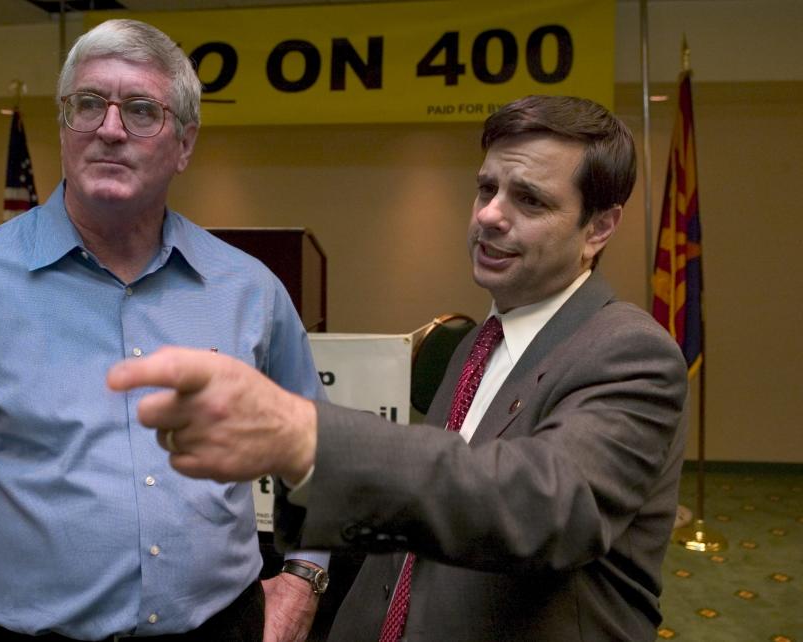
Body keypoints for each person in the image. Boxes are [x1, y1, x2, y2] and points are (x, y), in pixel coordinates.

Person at [106, 95, 690, 641]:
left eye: (529, 200)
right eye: (486, 187)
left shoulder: (631, 353)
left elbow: (542, 505)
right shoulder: (476, 345)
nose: (489, 215)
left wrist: (311, 438)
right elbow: (427, 518)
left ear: (599, 228)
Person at [0, 19, 328, 642]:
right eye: (88, 104)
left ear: (184, 144)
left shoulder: (248, 291)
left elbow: (318, 454)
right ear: (64, 125)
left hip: (224, 627)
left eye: (139, 110)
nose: (109, 128)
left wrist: (303, 579)